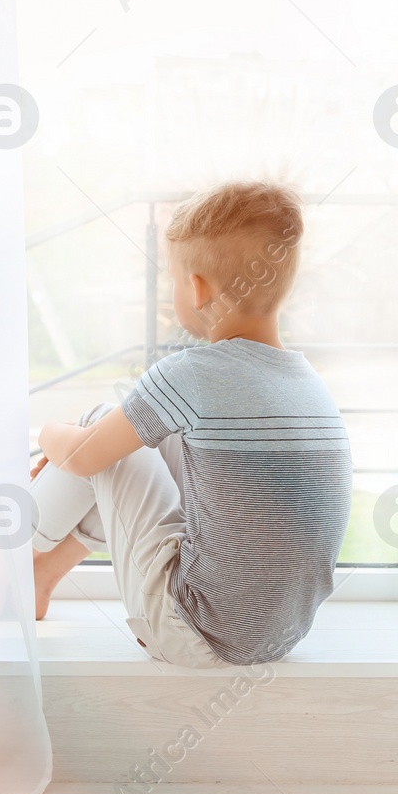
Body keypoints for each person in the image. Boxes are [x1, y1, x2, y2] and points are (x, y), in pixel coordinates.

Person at [28, 180, 353, 668]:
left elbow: (83, 456)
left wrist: (48, 438)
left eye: (173, 281)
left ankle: (1, 560)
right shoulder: (309, 385)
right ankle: (42, 573)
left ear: (196, 289)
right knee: (149, 439)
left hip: (191, 631)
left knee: (99, 428)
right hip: (278, 635)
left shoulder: (191, 375)